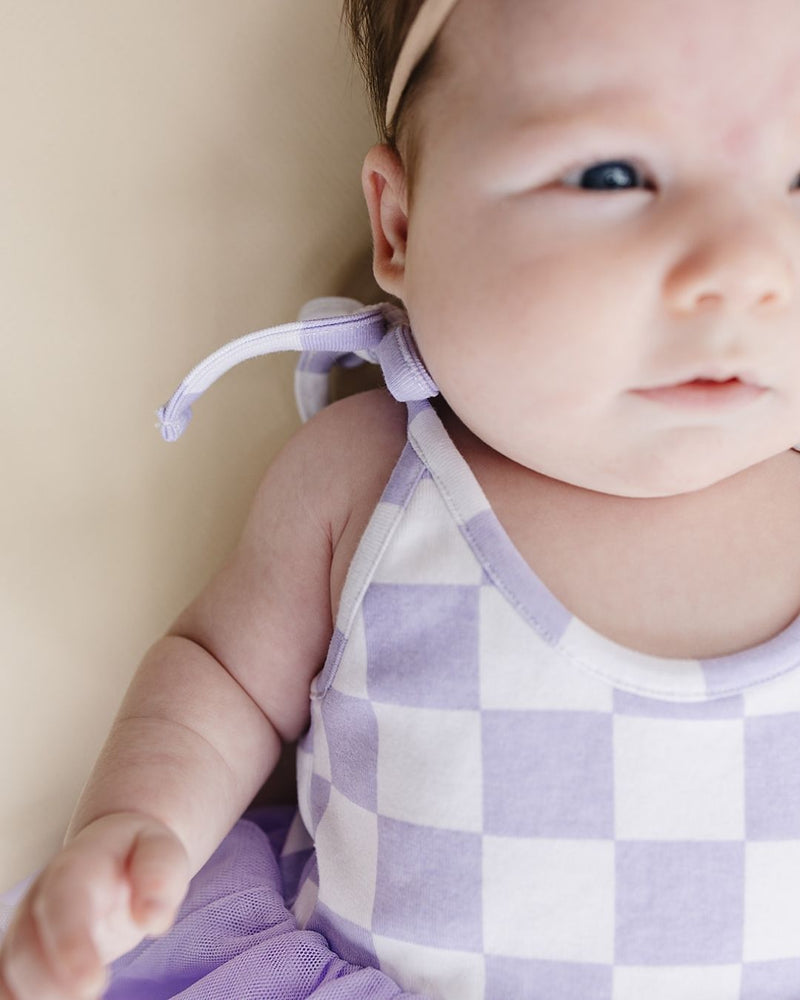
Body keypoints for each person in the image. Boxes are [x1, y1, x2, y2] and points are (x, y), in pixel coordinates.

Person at [4, 0, 800, 996]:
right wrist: (136, 824)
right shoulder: (372, 478)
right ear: (400, 225)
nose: (742, 268)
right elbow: (223, 677)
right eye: (609, 175)